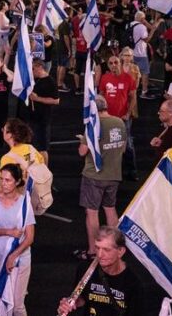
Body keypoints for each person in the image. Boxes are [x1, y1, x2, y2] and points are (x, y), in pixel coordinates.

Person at [76, 96, 126, 260]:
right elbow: (123, 148)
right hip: (114, 174)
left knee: (92, 213)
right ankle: (115, 246)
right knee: (110, 209)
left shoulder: (93, 126)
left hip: (94, 175)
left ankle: (93, 251)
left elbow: (82, 152)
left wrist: (85, 141)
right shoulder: (119, 122)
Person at [0, 163, 35, 316]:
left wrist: (13, 256)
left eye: (8, 180)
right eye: (1, 179)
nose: (3, 183)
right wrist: (8, 231)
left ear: (17, 181)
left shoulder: (24, 203)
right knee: (1, 302)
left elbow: (29, 237)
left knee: (18, 305)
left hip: (20, 259)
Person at [57, 227, 143, 315]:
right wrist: (70, 303)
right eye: (97, 248)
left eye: (106, 250)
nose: (100, 255)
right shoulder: (85, 269)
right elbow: (82, 299)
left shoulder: (133, 281)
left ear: (120, 251)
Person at [27, 59, 60, 164]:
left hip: (42, 119)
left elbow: (56, 101)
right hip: (32, 118)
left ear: (39, 67)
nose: (31, 71)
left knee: (42, 147)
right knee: (30, 146)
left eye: (32, 68)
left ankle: (44, 171)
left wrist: (38, 99)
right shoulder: (35, 80)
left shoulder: (50, 81)